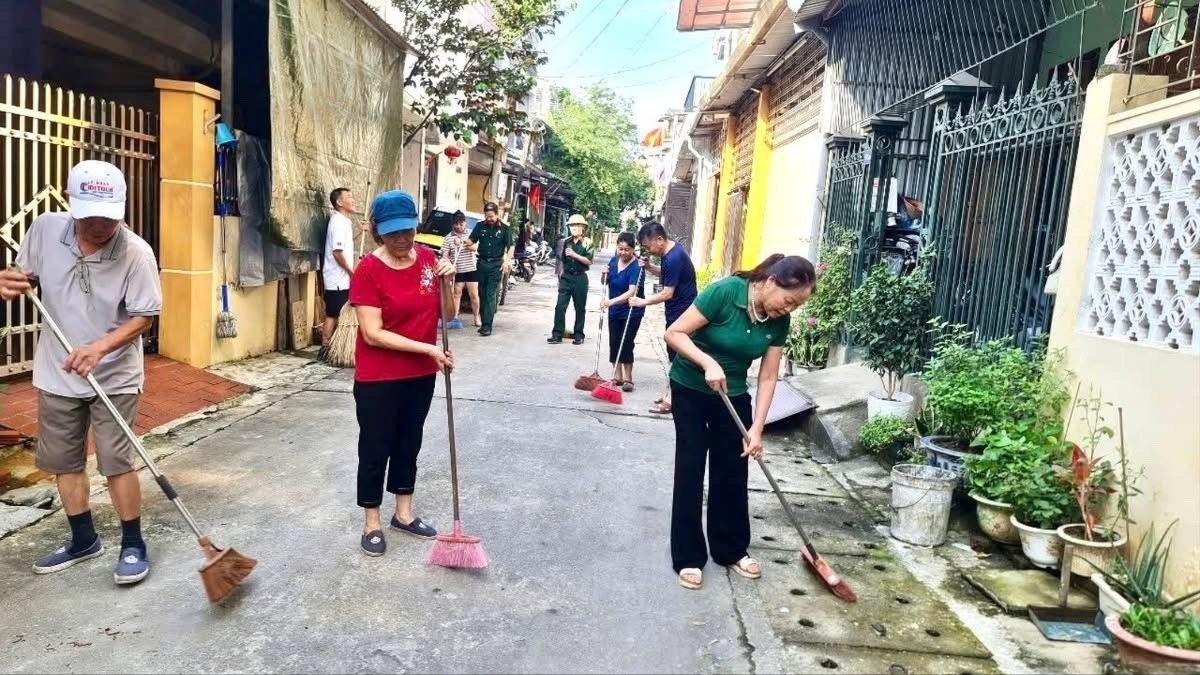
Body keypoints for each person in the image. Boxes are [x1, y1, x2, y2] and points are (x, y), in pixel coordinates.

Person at [0, 160, 162, 585]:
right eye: (90, 215)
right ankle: (83, 539)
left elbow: (144, 317)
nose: (100, 225)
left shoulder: (136, 253)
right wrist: (14, 283)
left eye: (109, 216)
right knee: (63, 461)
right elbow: (27, 278)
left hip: (115, 376)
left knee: (116, 462)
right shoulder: (45, 230)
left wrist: (99, 348)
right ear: (72, 205)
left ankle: (133, 544)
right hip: (58, 372)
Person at [664, 254, 816, 590]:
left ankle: (730, 548)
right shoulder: (725, 293)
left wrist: (757, 428)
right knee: (690, 467)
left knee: (733, 469)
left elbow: (767, 376)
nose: (788, 310)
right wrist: (707, 362)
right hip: (690, 386)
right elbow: (674, 334)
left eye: (795, 307)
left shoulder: (778, 321)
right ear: (772, 281)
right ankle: (688, 556)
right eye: (788, 301)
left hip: (732, 392)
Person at [349, 190, 457, 557]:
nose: (401, 239)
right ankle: (372, 522)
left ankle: (404, 514)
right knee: (376, 446)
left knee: (409, 442)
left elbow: (448, 313)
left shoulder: (429, 259)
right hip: (378, 378)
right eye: (393, 232)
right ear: (378, 231)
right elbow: (372, 334)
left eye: (407, 231)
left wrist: (448, 281)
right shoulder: (368, 269)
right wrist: (428, 349)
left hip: (420, 375)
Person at [630, 222, 698, 414]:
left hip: (682, 315)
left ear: (659, 239)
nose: (648, 250)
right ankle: (671, 392)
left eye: (648, 246)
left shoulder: (674, 257)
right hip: (678, 312)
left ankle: (672, 399)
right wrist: (650, 267)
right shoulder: (671, 255)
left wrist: (643, 301)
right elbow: (668, 275)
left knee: (677, 357)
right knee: (674, 356)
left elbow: (667, 293)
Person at [599, 232, 645, 392]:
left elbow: (632, 292)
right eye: (621, 249)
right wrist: (604, 274)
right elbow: (605, 282)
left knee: (626, 342)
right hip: (615, 310)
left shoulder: (637, 267)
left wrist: (610, 301)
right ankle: (616, 376)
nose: (623, 253)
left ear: (633, 249)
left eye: (627, 249)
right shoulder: (613, 262)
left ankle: (628, 378)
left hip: (632, 310)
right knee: (614, 340)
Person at [320, 187, 359, 359]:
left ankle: (334, 348)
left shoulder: (344, 222)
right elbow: (337, 252)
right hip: (336, 278)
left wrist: (360, 232)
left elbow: (344, 244)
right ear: (339, 202)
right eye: (349, 197)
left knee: (338, 313)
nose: (353, 200)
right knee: (333, 313)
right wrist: (351, 272)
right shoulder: (337, 222)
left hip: (343, 278)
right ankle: (325, 348)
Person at [548, 214, 594, 345]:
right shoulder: (565, 242)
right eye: (571, 226)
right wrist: (559, 277)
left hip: (580, 277)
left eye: (576, 225)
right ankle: (557, 334)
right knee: (560, 306)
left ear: (583, 227)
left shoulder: (587, 243)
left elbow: (589, 261)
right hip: (566, 277)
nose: (573, 228)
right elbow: (560, 260)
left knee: (580, 307)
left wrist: (575, 255)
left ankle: (579, 334)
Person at [470, 201, 513, 337]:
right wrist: (463, 242)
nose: (489, 219)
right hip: (482, 264)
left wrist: (506, 261)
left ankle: (487, 326)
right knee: (482, 294)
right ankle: (484, 323)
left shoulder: (505, 228)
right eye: (487, 216)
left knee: (490, 293)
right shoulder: (479, 226)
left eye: (491, 216)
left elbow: (511, 246)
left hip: (496, 265)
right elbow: (472, 241)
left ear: (496, 214)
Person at [441, 211, 479, 329]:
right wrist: (448, 264)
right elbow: (445, 255)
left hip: (471, 268)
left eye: (461, 224)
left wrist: (463, 242)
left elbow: (476, 247)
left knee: (474, 294)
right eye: (456, 224)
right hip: (457, 269)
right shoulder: (448, 237)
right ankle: (454, 318)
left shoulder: (471, 234)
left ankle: (477, 317)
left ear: (465, 223)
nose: (458, 226)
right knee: (457, 293)